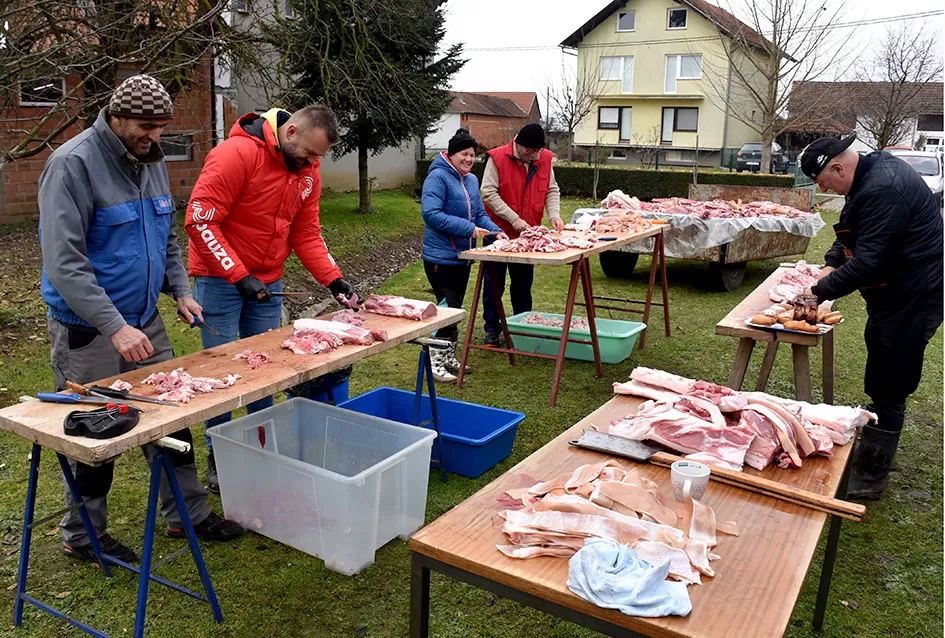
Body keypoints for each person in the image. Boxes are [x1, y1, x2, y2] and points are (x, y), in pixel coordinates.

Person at [38, 75, 244, 566]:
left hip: (145, 319)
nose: (154, 137)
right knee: (95, 433)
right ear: (116, 117)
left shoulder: (150, 161)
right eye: (145, 127)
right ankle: (83, 535)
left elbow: (166, 235)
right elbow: (64, 262)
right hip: (89, 330)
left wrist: (181, 291)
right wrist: (113, 325)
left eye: (160, 128)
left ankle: (188, 516)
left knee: (170, 418)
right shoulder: (71, 165)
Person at [185, 104, 361, 493]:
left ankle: (261, 451)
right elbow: (200, 220)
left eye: (319, 158)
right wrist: (238, 274)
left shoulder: (306, 172)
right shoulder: (235, 155)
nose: (313, 163)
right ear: (291, 131)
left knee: (266, 373)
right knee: (224, 376)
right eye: (310, 153)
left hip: (266, 281)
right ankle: (221, 458)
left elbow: (307, 233)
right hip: (219, 280)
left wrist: (334, 279)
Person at [800, 134, 943, 500]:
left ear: (837, 167)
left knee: (892, 371)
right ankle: (880, 416)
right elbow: (853, 233)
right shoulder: (867, 175)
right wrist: (831, 263)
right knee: (882, 354)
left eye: (823, 182)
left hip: (917, 291)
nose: (824, 188)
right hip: (897, 289)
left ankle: (869, 476)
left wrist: (817, 292)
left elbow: (868, 261)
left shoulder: (883, 189)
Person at [420, 129, 507, 382]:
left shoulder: (470, 179)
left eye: (472, 155)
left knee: (455, 309)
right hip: (440, 257)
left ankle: (448, 357)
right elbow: (431, 214)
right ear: (451, 153)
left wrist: (494, 231)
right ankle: (434, 364)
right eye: (464, 154)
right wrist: (469, 229)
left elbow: (479, 214)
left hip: (463, 256)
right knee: (444, 309)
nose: (469, 159)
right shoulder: (437, 177)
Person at [480, 123, 562, 347]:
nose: (534, 156)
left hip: (529, 234)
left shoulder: (543, 158)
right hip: (498, 232)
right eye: (530, 151)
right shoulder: (497, 158)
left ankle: (523, 329)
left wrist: (554, 214)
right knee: (494, 283)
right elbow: (487, 192)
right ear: (518, 144)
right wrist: (513, 219)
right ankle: (492, 330)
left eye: (537, 151)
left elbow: (552, 189)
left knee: (523, 284)